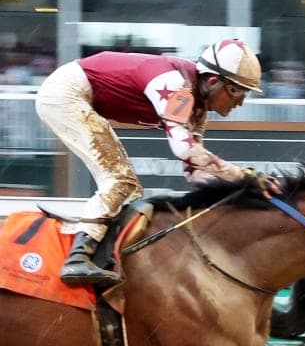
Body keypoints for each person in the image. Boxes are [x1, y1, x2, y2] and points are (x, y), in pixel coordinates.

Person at [35, 38, 278, 286]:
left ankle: (99, 253)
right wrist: (244, 176)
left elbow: (195, 172)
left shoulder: (197, 110)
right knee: (120, 181)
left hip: (77, 94)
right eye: (237, 91)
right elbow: (184, 149)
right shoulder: (177, 88)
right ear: (213, 81)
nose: (240, 102)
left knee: (130, 189)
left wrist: (237, 196)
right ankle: (78, 258)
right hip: (66, 94)